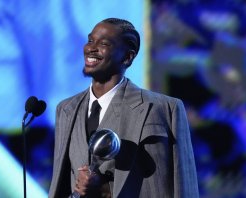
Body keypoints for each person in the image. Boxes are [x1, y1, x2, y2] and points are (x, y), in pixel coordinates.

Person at [49, 18, 199, 198]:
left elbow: (185, 188)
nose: (91, 48)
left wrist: (106, 190)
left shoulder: (165, 108)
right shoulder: (66, 110)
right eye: (90, 40)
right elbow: (61, 184)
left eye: (104, 43)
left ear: (127, 57)